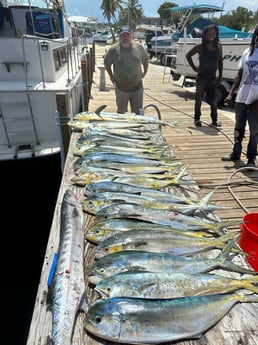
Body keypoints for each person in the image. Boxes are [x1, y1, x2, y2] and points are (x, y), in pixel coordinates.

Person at [104, 25, 149, 115]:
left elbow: (146, 60)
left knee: (138, 113)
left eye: (127, 35)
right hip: (121, 88)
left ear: (131, 36)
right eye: (123, 35)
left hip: (137, 87)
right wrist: (111, 77)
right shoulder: (113, 49)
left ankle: (136, 128)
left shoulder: (139, 47)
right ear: (120, 37)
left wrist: (145, 72)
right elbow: (107, 63)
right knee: (121, 113)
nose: (125, 38)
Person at [186, 24, 223, 127]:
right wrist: (194, 68)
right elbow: (188, 55)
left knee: (214, 101)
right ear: (204, 35)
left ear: (216, 34)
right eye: (208, 34)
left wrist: (220, 76)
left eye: (213, 33)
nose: (211, 36)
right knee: (198, 99)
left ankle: (215, 120)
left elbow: (220, 62)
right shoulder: (200, 47)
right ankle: (197, 119)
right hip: (202, 78)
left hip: (212, 78)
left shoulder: (219, 47)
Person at [221, 70, 257, 168]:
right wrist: (231, 93)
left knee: (254, 131)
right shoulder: (246, 54)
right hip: (241, 99)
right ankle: (236, 153)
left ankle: (251, 159)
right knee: (238, 128)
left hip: (255, 101)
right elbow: (239, 75)